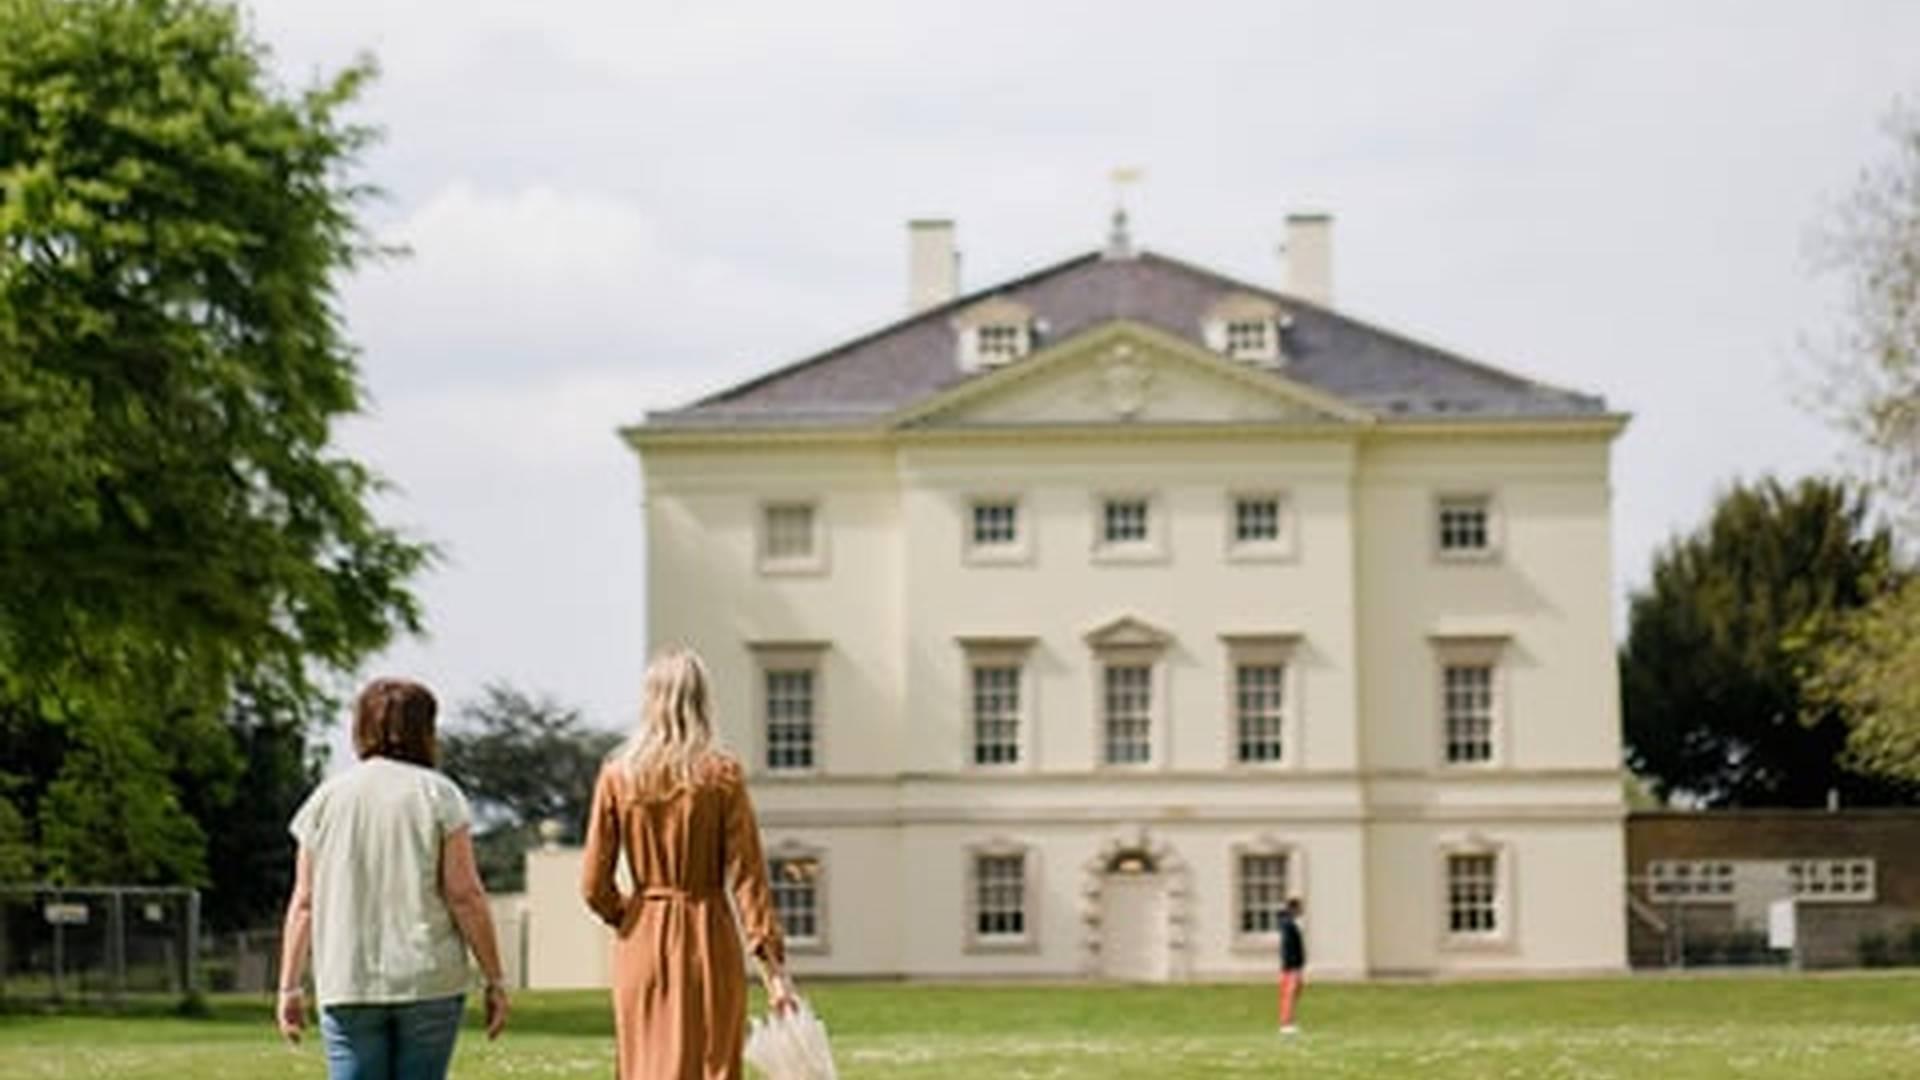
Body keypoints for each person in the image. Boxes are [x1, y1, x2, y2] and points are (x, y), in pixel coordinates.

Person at [275, 678, 510, 1079]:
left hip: (347, 978)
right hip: (428, 978)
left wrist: (289, 985)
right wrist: (494, 978)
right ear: (426, 731)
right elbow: (464, 894)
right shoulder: (439, 795)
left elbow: (305, 902)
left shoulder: (326, 799)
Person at [582, 647, 797, 1080]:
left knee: (645, 1065)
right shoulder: (722, 775)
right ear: (702, 701)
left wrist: (628, 915)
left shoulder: (618, 775)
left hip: (640, 938)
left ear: (650, 700)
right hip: (709, 933)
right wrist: (774, 972)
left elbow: (593, 885)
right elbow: (749, 879)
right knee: (712, 1062)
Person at [1277, 896, 1307, 1035]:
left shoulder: (1288, 924)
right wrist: (1295, 966)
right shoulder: (1289, 925)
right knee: (1289, 995)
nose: (1301, 910)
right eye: (1299, 907)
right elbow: (1289, 948)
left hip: (1291, 966)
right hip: (1291, 967)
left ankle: (1289, 1021)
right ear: (1293, 908)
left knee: (1291, 995)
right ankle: (1286, 1023)